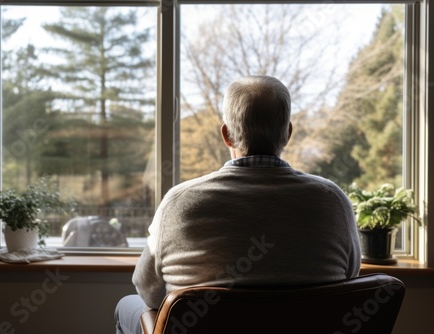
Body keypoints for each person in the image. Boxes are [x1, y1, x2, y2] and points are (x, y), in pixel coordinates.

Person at [114, 75, 361, 334]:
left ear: (226, 135)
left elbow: (148, 291)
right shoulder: (333, 200)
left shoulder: (178, 202)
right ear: (288, 133)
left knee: (127, 305)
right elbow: (350, 279)